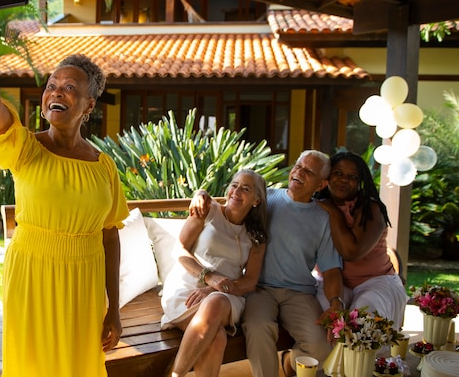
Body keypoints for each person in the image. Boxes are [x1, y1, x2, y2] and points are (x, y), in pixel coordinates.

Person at [0, 0, 129, 376]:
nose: (57, 91)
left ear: (89, 104)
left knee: (78, 367)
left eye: (70, 88)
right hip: (32, 271)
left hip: (84, 280)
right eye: (52, 84)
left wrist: (113, 310)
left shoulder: (104, 166)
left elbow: (110, 235)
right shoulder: (26, 148)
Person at [191, 150, 344, 377]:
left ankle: (289, 361)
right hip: (258, 290)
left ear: (321, 185)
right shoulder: (266, 198)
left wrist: (335, 302)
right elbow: (229, 205)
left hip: (299, 293)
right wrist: (201, 193)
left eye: (308, 171)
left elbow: (331, 270)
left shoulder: (322, 218)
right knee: (257, 328)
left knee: (321, 347)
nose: (298, 172)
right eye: (298, 165)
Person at [161, 169, 268, 377]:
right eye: (234, 185)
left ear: (256, 200)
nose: (236, 192)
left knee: (215, 302)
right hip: (187, 288)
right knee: (217, 338)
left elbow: (250, 282)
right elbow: (179, 249)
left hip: (228, 296)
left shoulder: (256, 236)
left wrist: (213, 288)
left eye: (245, 189)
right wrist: (208, 277)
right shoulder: (208, 211)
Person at [315, 151, 408, 328]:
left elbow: (352, 252)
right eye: (338, 173)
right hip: (332, 281)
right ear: (328, 176)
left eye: (352, 176)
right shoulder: (317, 204)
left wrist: (334, 213)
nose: (344, 180)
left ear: (360, 182)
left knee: (362, 323)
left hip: (375, 281)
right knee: (321, 321)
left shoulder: (370, 209)